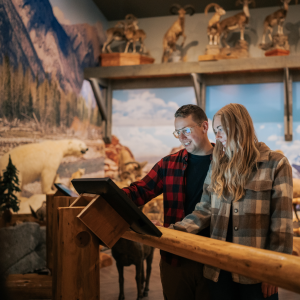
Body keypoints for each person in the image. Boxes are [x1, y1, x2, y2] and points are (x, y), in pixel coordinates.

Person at [171, 103, 293, 300]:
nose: (217, 137)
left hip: (256, 271)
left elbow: (282, 223)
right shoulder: (218, 164)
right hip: (218, 271)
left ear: (238, 126)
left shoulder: (276, 163)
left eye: (220, 130)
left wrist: (275, 271)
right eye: (215, 131)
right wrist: (174, 230)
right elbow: (205, 208)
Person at [122, 104, 214, 300]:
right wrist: (107, 194)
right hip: (175, 258)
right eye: (177, 132)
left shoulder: (225, 163)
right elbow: (139, 191)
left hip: (214, 259)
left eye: (186, 130)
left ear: (205, 127)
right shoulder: (168, 164)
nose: (182, 138)